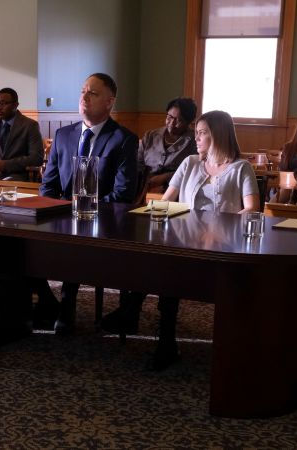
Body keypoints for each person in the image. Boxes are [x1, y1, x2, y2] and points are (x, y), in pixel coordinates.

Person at [109, 110, 260, 370]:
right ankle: (162, 338)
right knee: (161, 258)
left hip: (220, 245)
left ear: (218, 135)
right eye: (197, 132)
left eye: (202, 133)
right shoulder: (190, 162)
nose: (196, 138)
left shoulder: (240, 168)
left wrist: (220, 227)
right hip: (185, 240)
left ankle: (134, 310)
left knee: (169, 266)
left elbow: (252, 209)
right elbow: (166, 201)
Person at [39, 73, 138, 335]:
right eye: (83, 91)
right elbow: (48, 186)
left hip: (100, 223)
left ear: (109, 102)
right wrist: (60, 211)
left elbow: (122, 194)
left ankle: (67, 303)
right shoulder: (63, 135)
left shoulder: (123, 139)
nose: (84, 97)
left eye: (93, 93)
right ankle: (47, 301)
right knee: (18, 243)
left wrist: (83, 210)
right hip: (60, 219)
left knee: (77, 240)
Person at [0, 87, 44, 181]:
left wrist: (6, 165)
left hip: (18, 175)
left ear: (15, 105)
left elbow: (36, 158)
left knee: (6, 183)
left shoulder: (30, 125)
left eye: (4, 103)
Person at [138, 97, 198, 194]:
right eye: (169, 117)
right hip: (143, 189)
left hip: (176, 192)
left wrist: (166, 177)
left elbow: (193, 171)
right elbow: (137, 163)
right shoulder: (150, 136)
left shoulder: (195, 142)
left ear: (188, 122)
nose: (172, 123)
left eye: (179, 120)